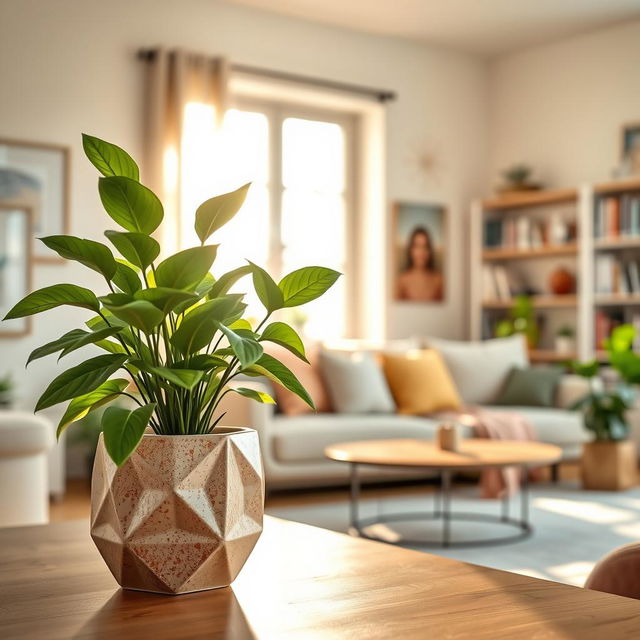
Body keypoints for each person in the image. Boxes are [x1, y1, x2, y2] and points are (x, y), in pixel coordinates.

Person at [396, 226, 443, 301]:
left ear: (430, 251)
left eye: (425, 246)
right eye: (417, 246)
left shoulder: (439, 281)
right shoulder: (402, 281)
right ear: (410, 250)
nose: (421, 252)